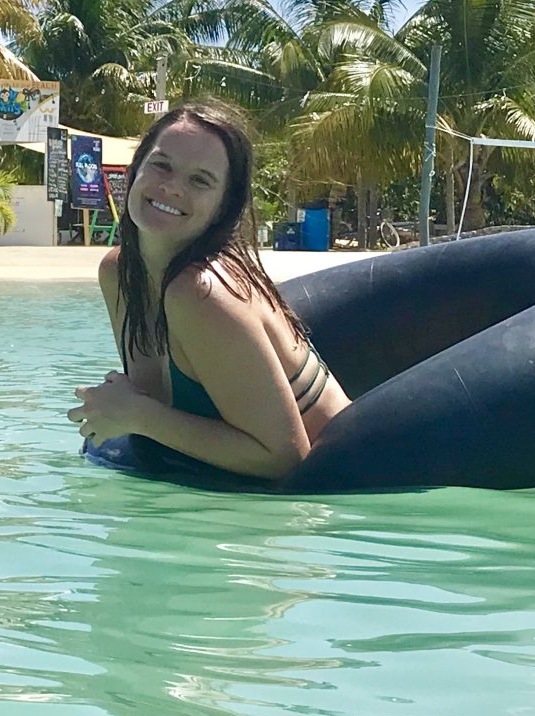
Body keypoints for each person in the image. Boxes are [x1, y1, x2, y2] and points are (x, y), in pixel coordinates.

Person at [66, 102, 348, 482]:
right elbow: (157, 407)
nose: (171, 187)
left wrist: (138, 416)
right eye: (161, 164)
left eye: (200, 181)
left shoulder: (202, 293)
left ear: (222, 208)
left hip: (339, 475)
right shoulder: (119, 272)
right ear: (135, 171)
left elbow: (286, 457)